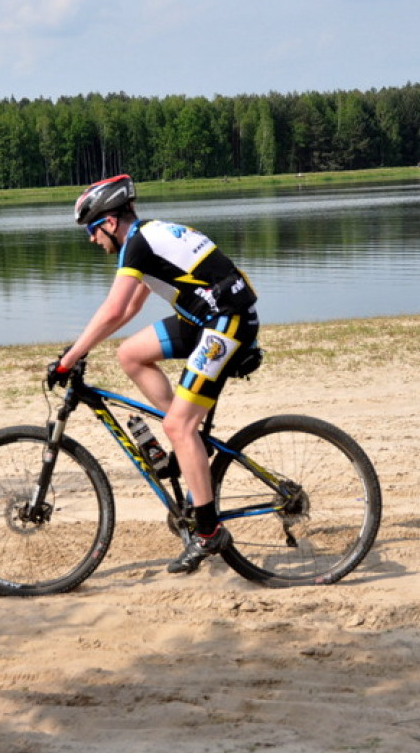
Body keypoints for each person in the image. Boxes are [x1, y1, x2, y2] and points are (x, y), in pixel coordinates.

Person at [46, 175, 260, 574]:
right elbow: (127, 313)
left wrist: (70, 358)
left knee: (178, 426)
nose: (92, 240)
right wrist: (78, 351)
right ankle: (187, 435)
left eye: (92, 230)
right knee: (130, 354)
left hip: (226, 323)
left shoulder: (139, 243)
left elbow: (113, 311)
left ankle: (209, 532)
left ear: (109, 222)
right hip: (207, 319)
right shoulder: (146, 239)